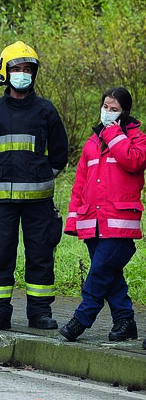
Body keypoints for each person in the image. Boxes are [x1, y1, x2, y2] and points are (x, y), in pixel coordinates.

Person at [0, 42, 69, 332]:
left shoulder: (45, 111)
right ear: (5, 72)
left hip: (39, 200)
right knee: (0, 254)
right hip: (1, 201)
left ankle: (40, 313)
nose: (23, 74)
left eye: (28, 69)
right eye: (17, 69)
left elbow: (59, 153)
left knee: (40, 254)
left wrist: (41, 175)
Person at [60, 87, 146, 343]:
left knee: (99, 274)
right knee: (110, 275)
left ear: (125, 113)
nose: (107, 113)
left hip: (118, 223)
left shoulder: (137, 139)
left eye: (114, 109)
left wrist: (113, 133)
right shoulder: (92, 142)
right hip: (91, 222)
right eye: (105, 107)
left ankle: (81, 319)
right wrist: (74, 218)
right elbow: (80, 184)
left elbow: (134, 162)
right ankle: (125, 320)